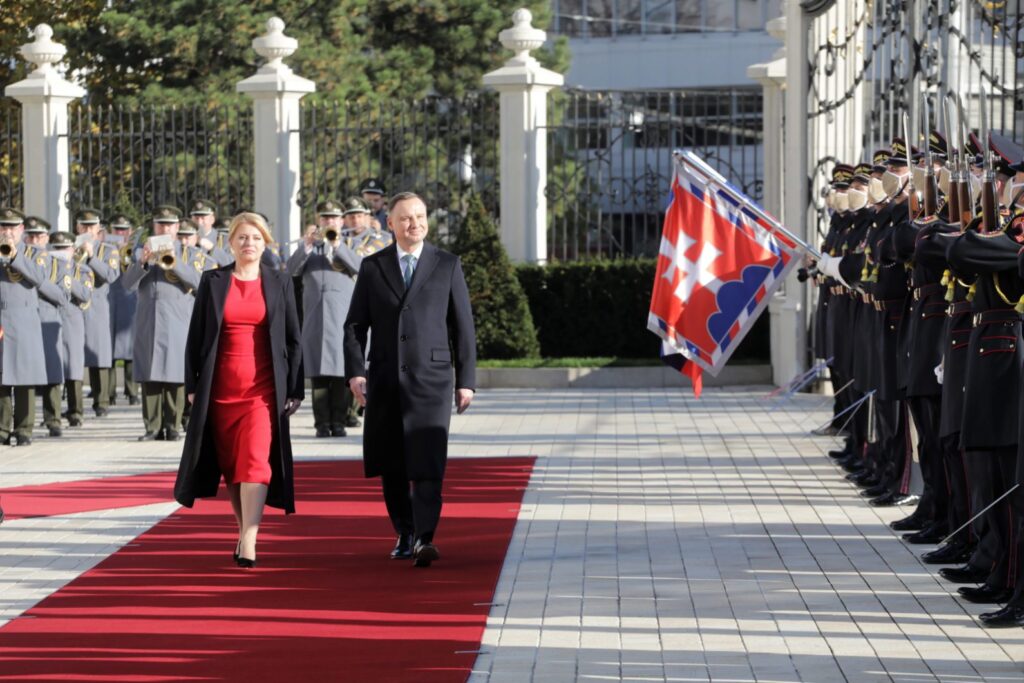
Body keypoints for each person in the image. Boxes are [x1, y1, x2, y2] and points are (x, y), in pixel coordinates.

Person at [343, 191, 476, 567]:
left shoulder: (447, 264)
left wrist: (466, 380)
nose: (414, 223)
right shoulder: (373, 267)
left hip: (431, 380)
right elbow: (355, 325)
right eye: (405, 217)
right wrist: (356, 372)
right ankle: (404, 531)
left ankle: (425, 537)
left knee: (429, 460)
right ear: (390, 223)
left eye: (419, 216)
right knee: (394, 462)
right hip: (385, 378)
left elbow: (462, 327)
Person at [174, 212, 303, 569]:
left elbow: (294, 339)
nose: (249, 244)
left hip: (263, 390)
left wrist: (295, 387)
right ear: (230, 242)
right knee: (233, 468)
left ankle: (250, 539)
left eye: (256, 238)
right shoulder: (213, 281)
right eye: (243, 238)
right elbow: (196, 339)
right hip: (220, 388)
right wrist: (192, 386)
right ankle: (242, 528)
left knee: (256, 462)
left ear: (266, 243)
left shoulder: (280, 282)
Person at [121, 206, 205, 441]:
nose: (165, 228)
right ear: (154, 227)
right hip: (149, 318)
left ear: (177, 228)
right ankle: (152, 426)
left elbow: (200, 283)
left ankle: (174, 425)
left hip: (177, 319)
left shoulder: (191, 254)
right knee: (150, 373)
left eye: (169, 224)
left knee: (176, 374)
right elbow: (127, 284)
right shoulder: (140, 251)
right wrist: (144, 263)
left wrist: (175, 263)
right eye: (160, 224)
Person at [288, 199, 363, 437]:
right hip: (316, 317)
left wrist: (338, 245)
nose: (329, 221)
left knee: (341, 373)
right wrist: (306, 246)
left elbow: (360, 267)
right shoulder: (312, 247)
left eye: (333, 218)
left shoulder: (350, 245)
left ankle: (339, 421)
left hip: (341, 316)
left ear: (341, 221)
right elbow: (290, 270)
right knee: (319, 374)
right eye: (325, 218)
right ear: (319, 221)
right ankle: (321, 423)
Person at [0, 208, 50, 446]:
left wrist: (15, 256)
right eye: (3, 227)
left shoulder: (34, 252)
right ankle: (1, 428)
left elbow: (39, 278)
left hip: (24, 321)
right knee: (2, 378)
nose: (7, 232)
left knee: (23, 379)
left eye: (12, 227)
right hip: (2, 319)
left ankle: (24, 429)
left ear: (21, 229)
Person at [74, 207, 120, 418]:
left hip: (98, 306)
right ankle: (74, 406)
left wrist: (91, 257)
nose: (87, 229)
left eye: (91, 226)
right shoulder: (68, 247)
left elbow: (111, 275)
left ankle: (101, 400)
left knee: (99, 354)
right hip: (74, 306)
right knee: (72, 354)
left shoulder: (108, 250)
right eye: (83, 226)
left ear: (98, 229)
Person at [48, 231, 92, 430]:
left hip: (73, 319)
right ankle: (52, 416)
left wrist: (66, 279)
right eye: (57, 249)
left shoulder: (82, 270)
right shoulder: (45, 267)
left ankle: (76, 412)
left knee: (74, 368)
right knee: (53, 368)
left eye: (64, 249)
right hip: (51, 318)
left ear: (73, 249)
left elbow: (85, 294)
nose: (61, 253)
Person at [106, 213, 139, 406]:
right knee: (108, 347)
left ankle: (132, 390)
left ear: (130, 232)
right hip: (110, 299)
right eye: (117, 230)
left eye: (124, 230)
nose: (120, 233)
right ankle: (109, 392)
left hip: (130, 300)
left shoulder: (137, 250)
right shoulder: (106, 249)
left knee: (130, 348)